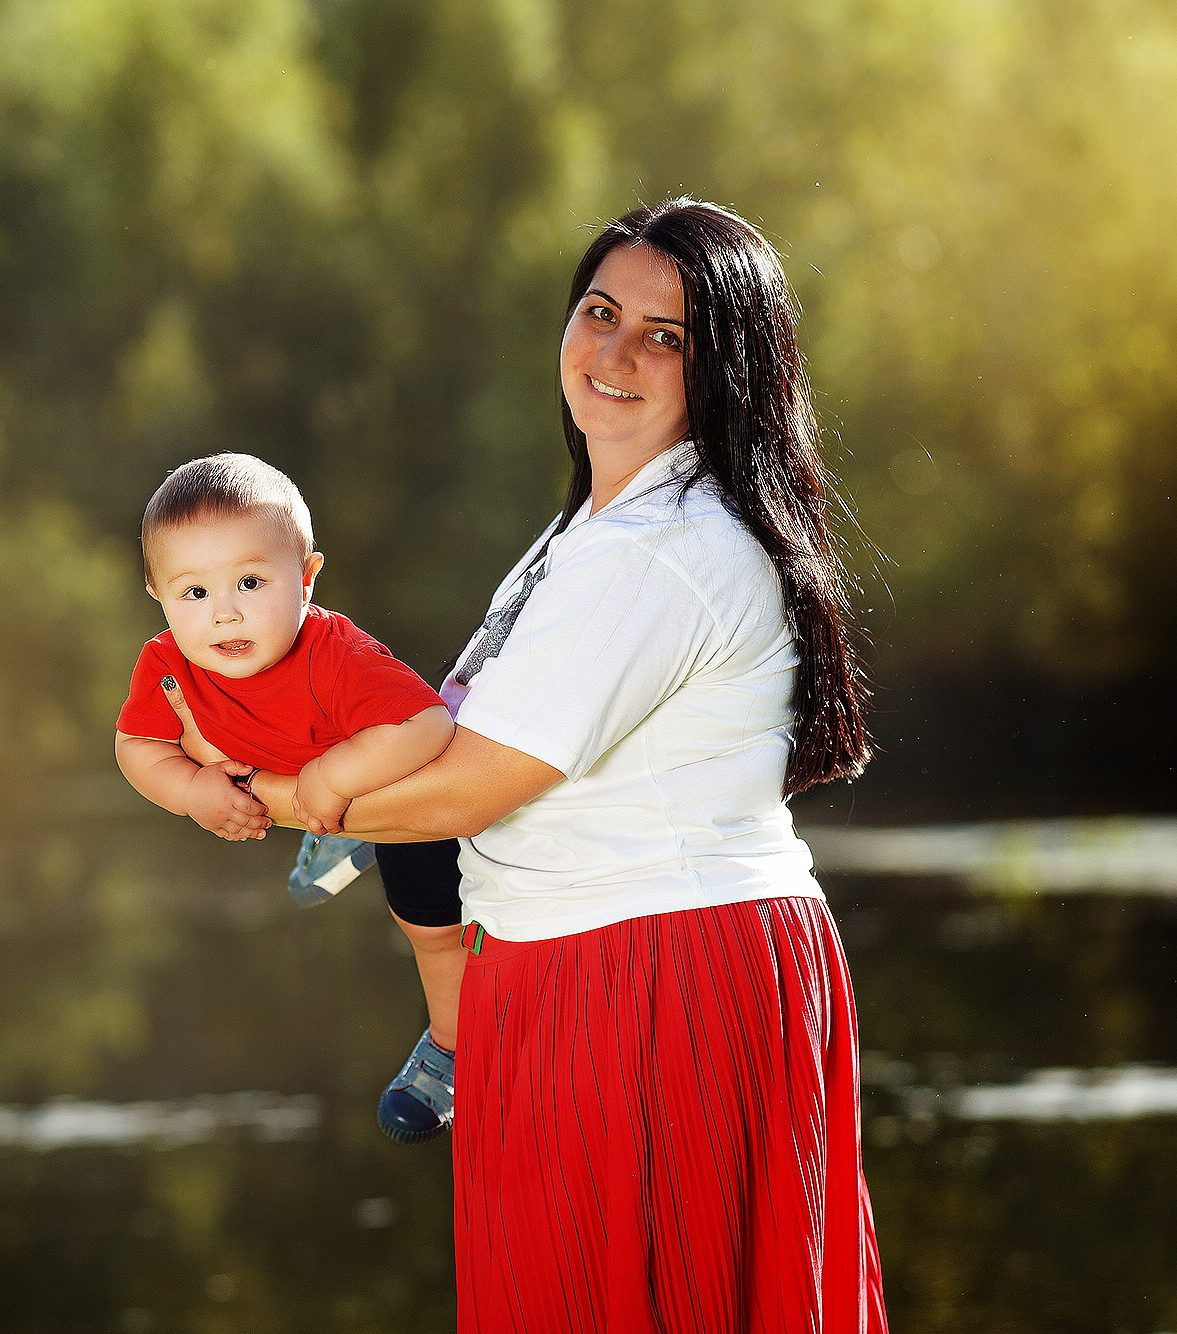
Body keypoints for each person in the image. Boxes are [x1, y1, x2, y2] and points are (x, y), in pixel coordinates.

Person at [178, 198, 888, 1330]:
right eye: (598, 311)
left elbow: (475, 783)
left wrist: (266, 792)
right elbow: (454, 742)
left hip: (655, 971)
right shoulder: (600, 528)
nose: (610, 351)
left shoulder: (661, 548)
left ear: (726, 371)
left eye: (664, 335)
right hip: (571, 962)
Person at [113, 453, 466, 1142]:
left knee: (433, 930)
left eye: (250, 580)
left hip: (397, 799)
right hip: (290, 784)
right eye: (194, 593)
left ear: (306, 577)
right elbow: (135, 747)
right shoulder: (167, 663)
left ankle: (450, 1049)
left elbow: (428, 726)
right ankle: (335, 837)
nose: (225, 613)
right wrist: (191, 791)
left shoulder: (339, 656)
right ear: (156, 593)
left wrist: (331, 781)